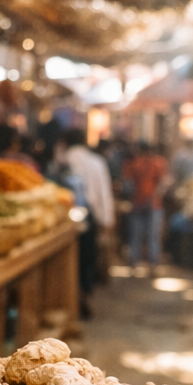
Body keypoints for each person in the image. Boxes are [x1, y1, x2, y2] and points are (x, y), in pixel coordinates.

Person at [62, 128, 114, 312]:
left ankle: (69, 300)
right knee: (86, 259)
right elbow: (103, 194)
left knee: (66, 260)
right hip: (88, 217)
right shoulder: (96, 162)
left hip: (62, 218)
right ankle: (84, 295)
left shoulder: (62, 160)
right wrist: (106, 221)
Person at [122, 140, 169, 268]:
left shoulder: (134, 163)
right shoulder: (158, 162)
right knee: (152, 236)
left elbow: (127, 185)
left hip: (139, 203)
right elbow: (164, 183)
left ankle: (135, 262)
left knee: (136, 235)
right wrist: (155, 196)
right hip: (153, 204)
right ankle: (152, 264)